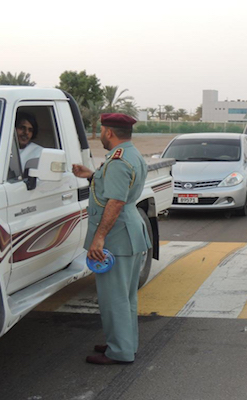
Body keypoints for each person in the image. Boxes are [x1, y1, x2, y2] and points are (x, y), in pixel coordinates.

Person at [72, 113, 151, 364]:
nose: (102, 136)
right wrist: (91, 175)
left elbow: (115, 202)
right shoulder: (130, 154)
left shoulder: (118, 161)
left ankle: (119, 352)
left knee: (113, 298)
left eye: (103, 131)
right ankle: (125, 344)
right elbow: (117, 187)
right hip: (128, 231)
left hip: (117, 235)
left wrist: (99, 238)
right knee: (125, 297)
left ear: (108, 132)